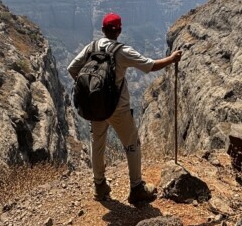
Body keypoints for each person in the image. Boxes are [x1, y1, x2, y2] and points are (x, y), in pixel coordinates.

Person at [68, 12, 183, 205]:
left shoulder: (91, 47)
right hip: (119, 109)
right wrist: (172, 59)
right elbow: (151, 66)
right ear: (119, 31)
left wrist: (90, 92)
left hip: (95, 108)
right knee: (132, 146)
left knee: (97, 145)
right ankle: (136, 188)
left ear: (102, 29)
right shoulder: (122, 51)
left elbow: (72, 68)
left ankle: (99, 186)